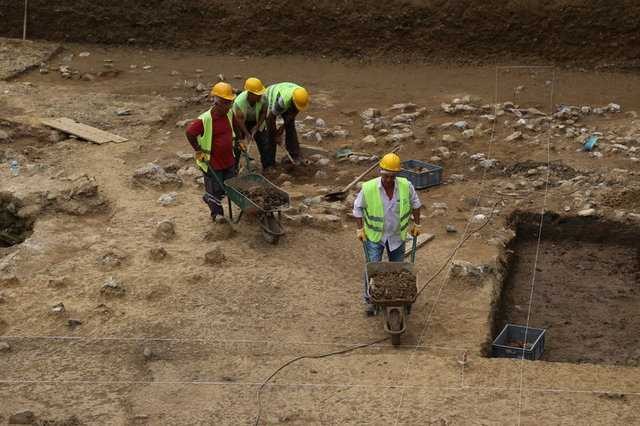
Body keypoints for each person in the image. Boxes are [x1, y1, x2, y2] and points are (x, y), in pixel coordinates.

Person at [353, 152, 422, 315]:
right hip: (375, 237)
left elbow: (416, 204)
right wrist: (360, 228)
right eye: (386, 176)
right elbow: (357, 208)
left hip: (397, 236)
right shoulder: (368, 188)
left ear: (397, 174)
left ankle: (399, 298)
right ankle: (370, 300)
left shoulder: (405, 186)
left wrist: (417, 224)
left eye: (392, 176)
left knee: (398, 270)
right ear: (380, 172)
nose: (389, 180)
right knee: (372, 268)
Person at [185, 82, 238, 223]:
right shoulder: (205, 119)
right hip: (212, 161)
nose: (229, 106)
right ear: (217, 102)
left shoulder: (230, 113)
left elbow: (236, 127)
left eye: (230, 102)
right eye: (226, 103)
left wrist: (241, 142)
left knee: (227, 187)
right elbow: (190, 133)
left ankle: (209, 198)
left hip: (229, 159)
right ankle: (217, 214)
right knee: (215, 189)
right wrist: (198, 149)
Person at [264, 82, 310, 168]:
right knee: (270, 133)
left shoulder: (302, 96)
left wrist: (282, 128)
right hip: (270, 96)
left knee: (290, 126)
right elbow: (270, 118)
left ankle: (294, 155)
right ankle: (270, 163)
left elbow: (293, 114)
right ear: (293, 100)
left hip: (287, 98)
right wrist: (276, 135)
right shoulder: (282, 101)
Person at [232, 77, 269, 171]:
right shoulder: (239, 102)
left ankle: (267, 167)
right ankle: (234, 169)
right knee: (238, 145)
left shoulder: (263, 98)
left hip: (256, 121)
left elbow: (263, 113)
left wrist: (257, 126)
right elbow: (239, 120)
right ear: (250, 93)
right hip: (241, 123)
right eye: (257, 94)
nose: (260, 96)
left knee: (264, 143)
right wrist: (247, 134)